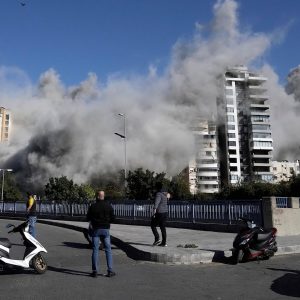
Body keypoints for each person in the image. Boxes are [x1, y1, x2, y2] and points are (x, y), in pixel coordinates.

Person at [86, 190, 116, 278]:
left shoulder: (93, 206)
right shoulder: (109, 206)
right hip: (106, 229)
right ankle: (110, 270)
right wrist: (107, 222)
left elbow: (87, 218)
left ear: (97, 196)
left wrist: (93, 221)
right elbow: (113, 219)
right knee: (108, 249)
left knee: (95, 249)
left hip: (96, 230)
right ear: (103, 196)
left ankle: (95, 271)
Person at [151, 182, 169, 247]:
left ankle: (157, 239)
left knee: (153, 225)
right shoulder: (166, 194)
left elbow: (156, 202)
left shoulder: (159, 194)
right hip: (165, 213)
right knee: (163, 227)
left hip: (160, 212)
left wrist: (154, 210)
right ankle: (164, 243)